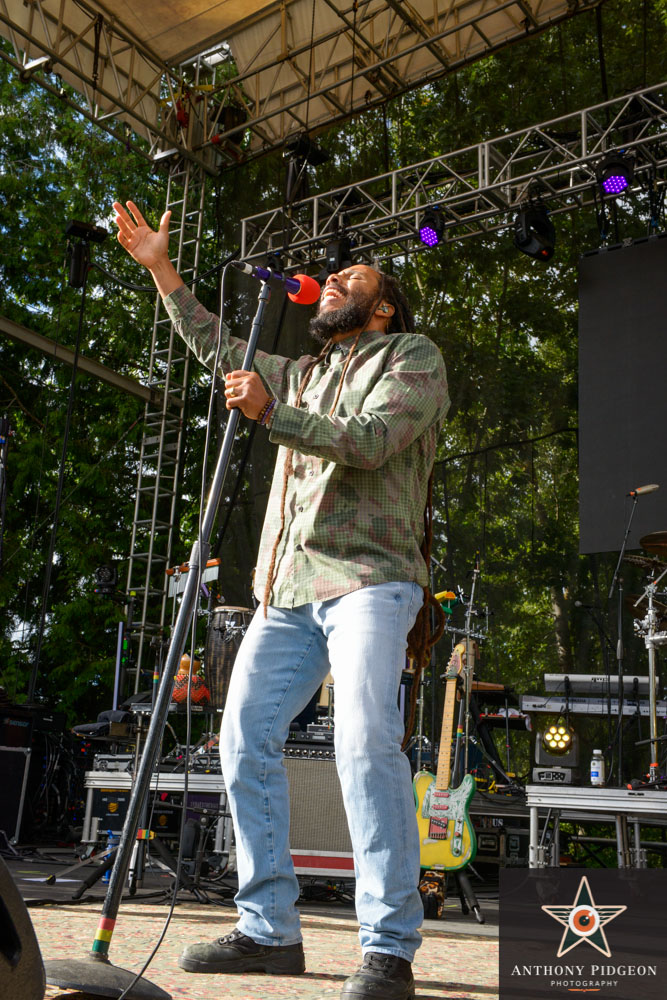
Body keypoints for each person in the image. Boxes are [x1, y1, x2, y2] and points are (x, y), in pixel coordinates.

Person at [113, 200, 450, 1000]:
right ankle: (269, 929)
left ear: (384, 303)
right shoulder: (302, 371)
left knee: (365, 740)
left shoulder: (412, 355)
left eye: (351, 276)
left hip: (369, 578)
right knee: (242, 739)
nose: (332, 280)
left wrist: (274, 414)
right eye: (329, 275)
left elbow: (370, 441)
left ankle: (388, 944)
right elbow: (215, 346)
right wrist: (161, 268)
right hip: (286, 588)